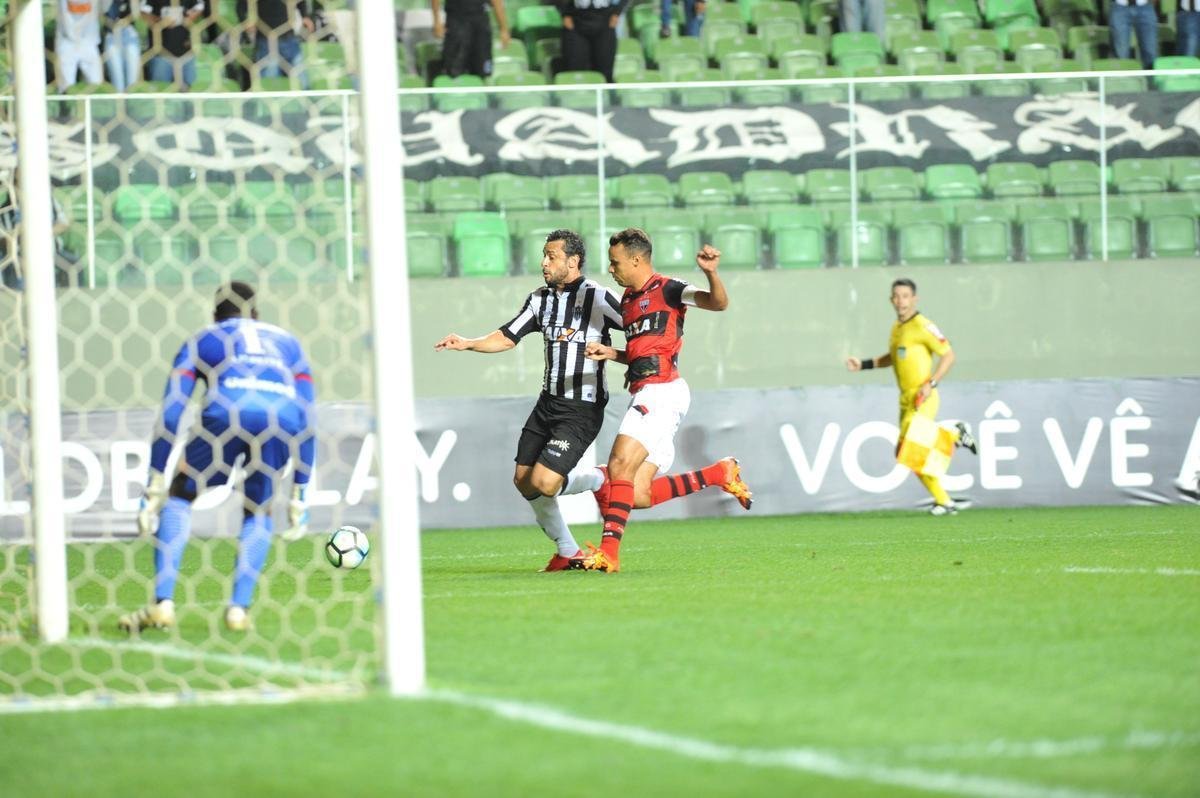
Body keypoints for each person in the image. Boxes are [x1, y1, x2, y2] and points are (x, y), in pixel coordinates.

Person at [119, 282, 317, 632]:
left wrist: (154, 481)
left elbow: (171, 414)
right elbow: (308, 419)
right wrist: (300, 490)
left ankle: (163, 603)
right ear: (257, 314)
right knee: (259, 509)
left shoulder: (202, 339)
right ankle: (238, 610)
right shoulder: (289, 343)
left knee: (180, 494)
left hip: (226, 410)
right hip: (280, 418)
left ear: (215, 315)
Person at [434, 230, 624, 572]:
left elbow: (639, 330)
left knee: (545, 483)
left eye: (552, 256)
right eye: (544, 255)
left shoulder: (598, 297)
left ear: (573, 261)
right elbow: (507, 337)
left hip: (582, 408)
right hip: (548, 403)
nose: (544, 263)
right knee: (524, 480)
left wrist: (617, 354)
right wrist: (468, 342)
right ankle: (567, 551)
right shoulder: (540, 299)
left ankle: (598, 480)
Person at [576, 232, 753, 574]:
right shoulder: (628, 300)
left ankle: (609, 554)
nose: (610, 268)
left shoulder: (669, 288)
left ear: (636, 260)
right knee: (637, 494)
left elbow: (718, 303)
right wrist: (612, 353)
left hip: (662, 391)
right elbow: (643, 352)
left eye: (615, 262)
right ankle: (719, 473)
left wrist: (711, 273)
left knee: (619, 466)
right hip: (650, 392)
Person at [845, 278, 977, 516]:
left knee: (908, 450)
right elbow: (892, 357)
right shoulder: (897, 328)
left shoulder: (923, 326)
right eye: (896, 296)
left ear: (914, 299)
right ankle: (945, 501)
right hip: (905, 400)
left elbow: (948, 355)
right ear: (891, 300)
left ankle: (955, 434)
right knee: (906, 454)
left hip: (923, 397)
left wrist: (931, 383)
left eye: (905, 296)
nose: (900, 301)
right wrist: (863, 364)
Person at [237, 0, 322, 89]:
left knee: (303, 82)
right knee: (271, 84)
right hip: (267, 41)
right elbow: (240, 7)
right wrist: (245, 21)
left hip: (289, 39)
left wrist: (304, 15)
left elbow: (301, 2)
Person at [431, 0, 510, 79]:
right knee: (454, 70)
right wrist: (436, 21)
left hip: (480, 22)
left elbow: (496, 1)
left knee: (483, 70)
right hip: (456, 20)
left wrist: (504, 29)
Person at [141, 0, 206, 87]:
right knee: (162, 89)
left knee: (189, 91)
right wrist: (161, 22)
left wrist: (190, 17)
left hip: (186, 54)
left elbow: (200, 6)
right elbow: (143, 12)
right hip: (161, 53)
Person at [560, 0, 627, 83]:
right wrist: (564, 13)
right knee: (575, 73)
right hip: (575, 23)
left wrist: (617, 12)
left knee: (605, 73)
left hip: (605, 24)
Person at [55, 0, 105, 91]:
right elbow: (64, 14)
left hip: (89, 41)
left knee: (96, 84)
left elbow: (96, 10)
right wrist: (74, 34)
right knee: (66, 87)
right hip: (67, 41)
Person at [103, 0, 142, 91]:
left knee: (132, 83)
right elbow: (102, 13)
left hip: (130, 35)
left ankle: (130, 100)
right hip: (111, 36)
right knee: (117, 81)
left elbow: (136, 14)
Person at [1109, 0, 1158, 69]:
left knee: (1150, 51)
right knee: (1121, 52)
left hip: (1145, 6)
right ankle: (1124, 76)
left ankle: (1150, 76)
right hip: (1119, 6)